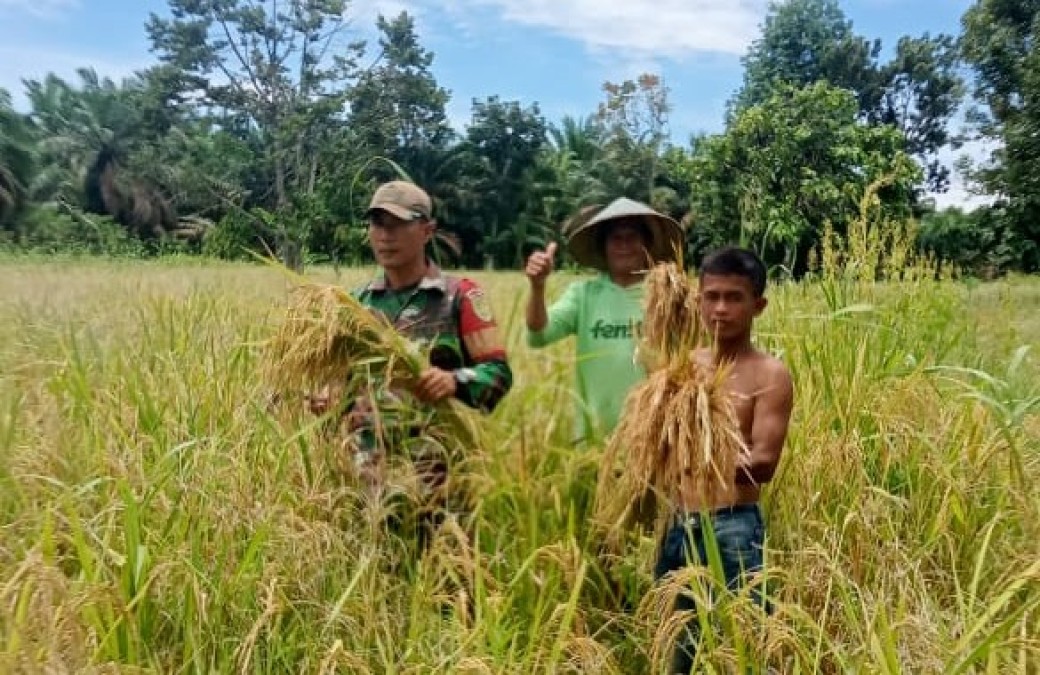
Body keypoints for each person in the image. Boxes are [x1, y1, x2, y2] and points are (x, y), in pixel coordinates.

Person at [310, 179, 512, 547]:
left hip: (437, 475)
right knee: (374, 580)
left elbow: (497, 375)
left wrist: (455, 380)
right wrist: (328, 398)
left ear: (427, 230)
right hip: (369, 474)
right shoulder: (355, 305)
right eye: (377, 224)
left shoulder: (460, 297)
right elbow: (344, 380)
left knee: (446, 582)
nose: (385, 235)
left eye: (398, 223)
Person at [654, 246, 794, 673]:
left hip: (734, 526)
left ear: (759, 305)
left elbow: (765, 461)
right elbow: (658, 445)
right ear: (698, 300)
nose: (720, 309)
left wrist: (695, 455)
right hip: (678, 525)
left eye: (734, 297)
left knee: (743, 645)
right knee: (679, 649)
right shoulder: (684, 367)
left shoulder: (769, 374)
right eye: (711, 296)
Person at [524, 198, 684, 444]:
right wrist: (537, 287)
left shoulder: (668, 295)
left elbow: (694, 357)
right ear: (604, 247)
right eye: (615, 238)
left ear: (647, 245)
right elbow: (539, 334)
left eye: (632, 237)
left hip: (655, 438)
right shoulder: (583, 295)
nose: (624, 245)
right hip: (592, 438)